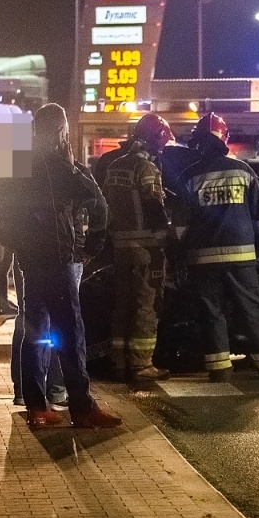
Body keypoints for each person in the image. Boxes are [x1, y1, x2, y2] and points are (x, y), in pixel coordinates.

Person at [0, 103, 119, 429]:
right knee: (70, 333)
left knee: (34, 330)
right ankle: (82, 407)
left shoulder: (17, 165)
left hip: (30, 262)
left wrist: (18, 242)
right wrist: (92, 247)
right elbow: (99, 205)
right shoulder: (63, 168)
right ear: (62, 131)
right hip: (60, 261)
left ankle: (37, 407)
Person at [178, 113, 259, 382]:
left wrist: (179, 254)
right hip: (241, 255)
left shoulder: (189, 176)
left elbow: (180, 226)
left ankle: (220, 369)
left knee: (211, 312)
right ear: (224, 139)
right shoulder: (243, 171)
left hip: (201, 258)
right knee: (250, 308)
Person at [103, 113, 175, 384]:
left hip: (120, 249)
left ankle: (118, 362)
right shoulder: (146, 168)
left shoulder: (115, 166)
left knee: (122, 306)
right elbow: (154, 207)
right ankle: (142, 364)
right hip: (146, 250)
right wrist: (168, 236)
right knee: (146, 306)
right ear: (157, 139)